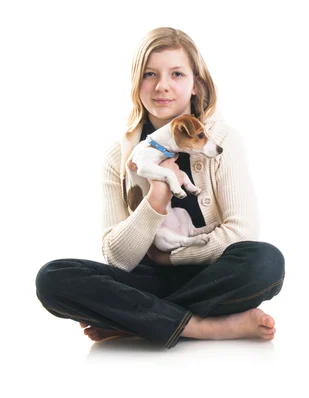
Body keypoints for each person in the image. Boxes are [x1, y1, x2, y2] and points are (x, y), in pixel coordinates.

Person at [35, 27, 284, 348]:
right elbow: (118, 258)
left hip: (211, 275)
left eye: (177, 74)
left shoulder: (221, 140)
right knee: (52, 278)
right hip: (143, 280)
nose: (162, 86)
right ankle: (205, 327)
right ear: (137, 85)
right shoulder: (120, 155)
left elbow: (242, 233)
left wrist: (170, 259)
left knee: (266, 262)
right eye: (149, 74)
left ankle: (136, 321)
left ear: (197, 85)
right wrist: (156, 195)